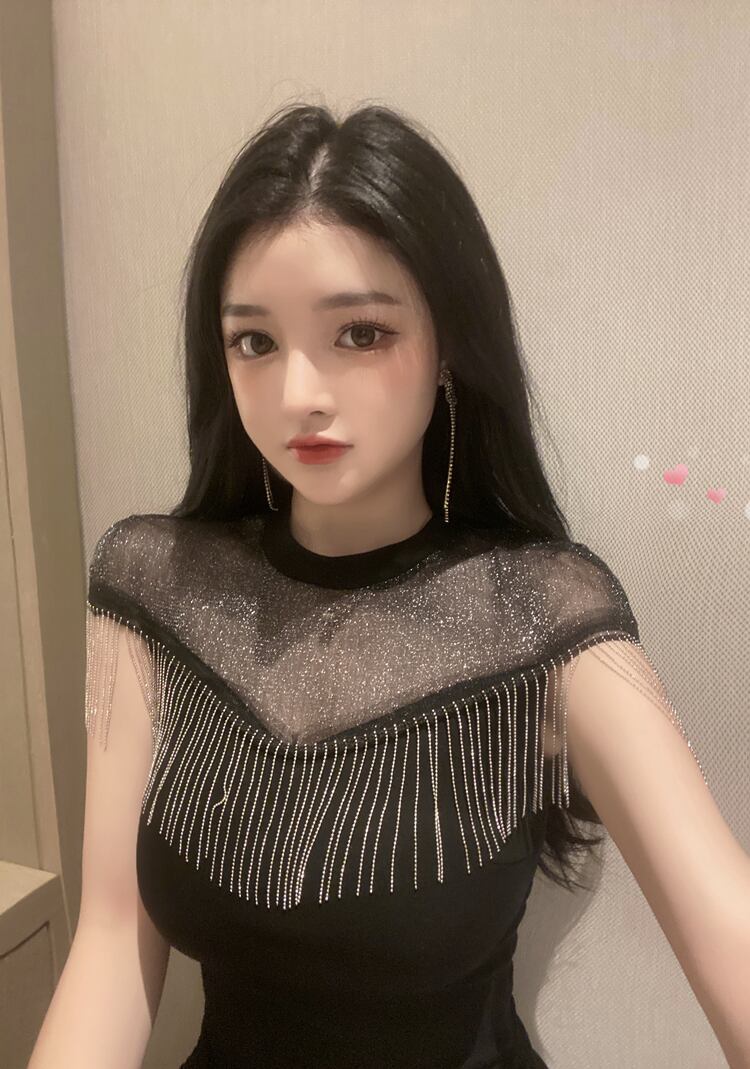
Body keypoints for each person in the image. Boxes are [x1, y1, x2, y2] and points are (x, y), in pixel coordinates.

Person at [29, 102, 749, 1069]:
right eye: (255, 342)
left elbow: (729, 929)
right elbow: (113, 942)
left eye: (360, 333)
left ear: (448, 343)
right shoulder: (155, 589)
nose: (299, 395)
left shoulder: (541, 617)